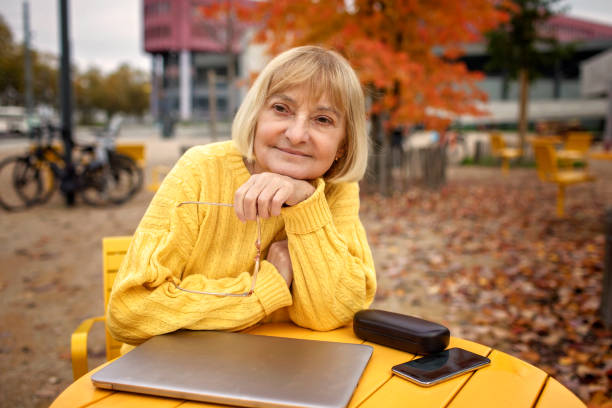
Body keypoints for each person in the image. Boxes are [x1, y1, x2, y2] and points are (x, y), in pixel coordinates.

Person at [107, 45, 377, 347]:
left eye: (323, 120)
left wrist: (305, 202)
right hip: (175, 369)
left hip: (282, 371)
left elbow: (333, 313)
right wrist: (266, 287)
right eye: (281, 109)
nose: (297, 134)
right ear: (256, 115)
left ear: (342, 144)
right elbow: (130, 311)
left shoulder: (337, 190)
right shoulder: (200, 170)